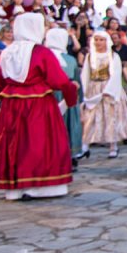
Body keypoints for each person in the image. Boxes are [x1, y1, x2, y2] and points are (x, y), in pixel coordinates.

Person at [0, 13, 77, 200]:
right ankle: (40, 186)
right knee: (38, 141)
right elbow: (60, 80)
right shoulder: (41, 52)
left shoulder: (6, 52)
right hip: (39, 105)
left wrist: (7, 98)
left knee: (15, 142)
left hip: (11, 106)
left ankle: (15, 188)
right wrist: (71, 97)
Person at [79, 31, 127, 159]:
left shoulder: (113, 56)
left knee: (111, 117)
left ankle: (113, 146)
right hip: (94, 89)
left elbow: (116, 73)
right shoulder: (90, 56)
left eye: (101, 40)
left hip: (109, 89)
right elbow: (85, 74)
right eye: (97, 40)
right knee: (89, 119)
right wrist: (86, 90)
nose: (98, 42)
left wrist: (110, 90)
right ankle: (85, 146)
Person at [45, 28, 83, 161]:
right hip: (67, 95)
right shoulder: (70, 60)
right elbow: (76, 79)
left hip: (49, 95)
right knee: (68, 124)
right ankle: (70, 154)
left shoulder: (43, 57)